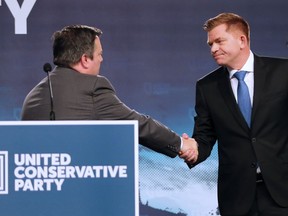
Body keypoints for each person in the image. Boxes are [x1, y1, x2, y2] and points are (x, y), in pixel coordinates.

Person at [21, 25, 198, 161]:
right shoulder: (92, 86)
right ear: (84, 59)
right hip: (82, 192)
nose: (101, 59)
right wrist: (181, 144)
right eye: (99, 54)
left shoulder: (34, 94)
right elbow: (139, 125)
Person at [180, 13, 288, 215]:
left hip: (282, 193)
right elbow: (204, 137)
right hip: (237, 199)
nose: (213, 49)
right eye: (210, 44)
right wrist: (192, 150)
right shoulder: (207, 87)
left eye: (219, 41)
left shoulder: (283, 72)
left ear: (242, 40)